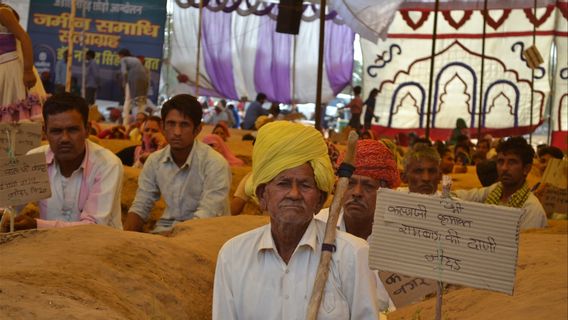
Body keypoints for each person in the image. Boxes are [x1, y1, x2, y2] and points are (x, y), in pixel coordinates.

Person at [213, 121, 379, 319]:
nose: (294, 194)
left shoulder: (351, 255)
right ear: (263, 197)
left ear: (319, 200)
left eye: (305, 185)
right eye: (283, 183)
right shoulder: (233, 256)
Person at [7, 93, 123, 230]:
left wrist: (37, 225)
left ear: (87, 130)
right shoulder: (35, 159)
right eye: (56, 131)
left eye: (73, 130)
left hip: (99, 248)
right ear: (45, 132)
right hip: (48, 247)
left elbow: (93, 228)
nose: (65, 139)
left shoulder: (107, 165)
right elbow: (8, 206)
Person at [124, 94, 231, 233]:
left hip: (206, 235)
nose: (177, 132)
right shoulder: (154, 161)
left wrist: (168, 240)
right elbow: (141, 205)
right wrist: (125, 237)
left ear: (198, 129)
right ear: (163, 126)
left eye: (184, 125)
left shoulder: (215, 164)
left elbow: (207, 215)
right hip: (165, 231)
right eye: (171, 124)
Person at [315, 139, 401, 312]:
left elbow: (399, 304)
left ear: (384, 193)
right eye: (350, 184)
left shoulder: (398, 239)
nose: (357, 193)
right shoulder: (319, 226)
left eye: (368, 186)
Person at [454, 137, 547, 230]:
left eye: (512, 162)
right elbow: (467, 196)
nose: (504, 168)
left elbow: (526, 243)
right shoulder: (495, 191)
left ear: (526, 169)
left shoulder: (531, 209)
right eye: (500, 161)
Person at [0, 3, 39, 122]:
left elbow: (24, 38)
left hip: (10, 72)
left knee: (15, 122)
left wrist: (28, 70)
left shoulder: (3, 12)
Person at [118, 48, 148, 125]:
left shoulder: (123, 59)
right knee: (141, 101)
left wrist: (124, 83)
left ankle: (125, 122)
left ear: (121, 55)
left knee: (128, 100)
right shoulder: (135, 59)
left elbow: (124, 72)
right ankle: (140, 123)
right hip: (144, 78)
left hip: (133, 78)